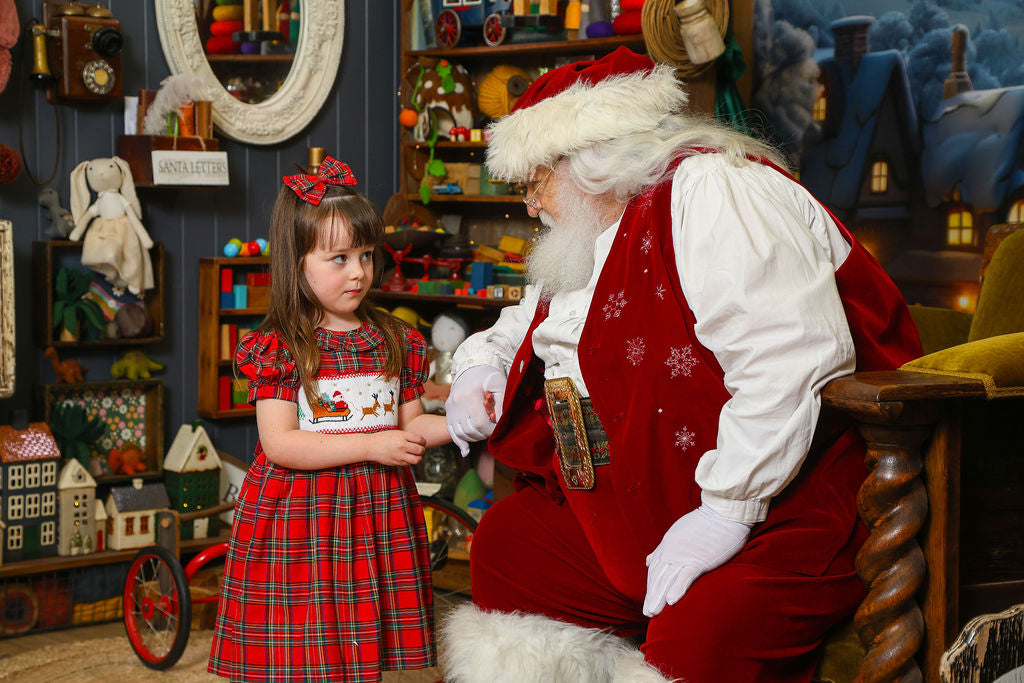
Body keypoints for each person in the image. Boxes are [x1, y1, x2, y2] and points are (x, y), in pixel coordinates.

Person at [440, 48, 922, 682]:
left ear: (591, 159)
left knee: (704, 624)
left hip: (779, 506)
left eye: (535, 181)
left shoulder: (717, 191)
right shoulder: (593, 233)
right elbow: (530, 321)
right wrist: (481, 367)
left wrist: (728, 509)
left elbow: (791, 357)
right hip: (638, 499)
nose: (530, 206)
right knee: (511, 547)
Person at [208, 157, 449, 682]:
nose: (359, 271)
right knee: (307, 642)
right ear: (297, 263)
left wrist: (471, 420)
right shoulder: (282, 347)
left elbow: (412, 426)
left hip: (376, 510)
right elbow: (280, 445)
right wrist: (370, 445)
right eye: (339, 258)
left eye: (366, 255)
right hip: (302, 519)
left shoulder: (395, 339)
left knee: (364, 637)